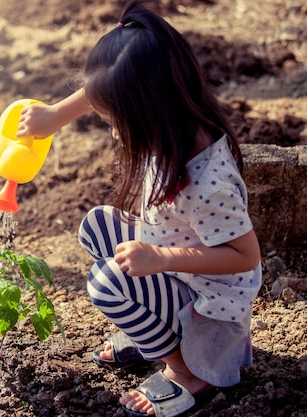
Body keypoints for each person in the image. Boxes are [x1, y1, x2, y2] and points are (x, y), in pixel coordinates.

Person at [16, 1, 262, 416]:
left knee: (106, 283)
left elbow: (245, 257)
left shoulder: (206, 183)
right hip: (178, 265)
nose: (112, 129)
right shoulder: (169, 119)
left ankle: (187, 369)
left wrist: (161, 258)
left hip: (210, 304)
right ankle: (158, 326)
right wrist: (55, 117)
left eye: (116, 120)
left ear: (148, 108)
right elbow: (103, 89)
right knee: (97, 227)